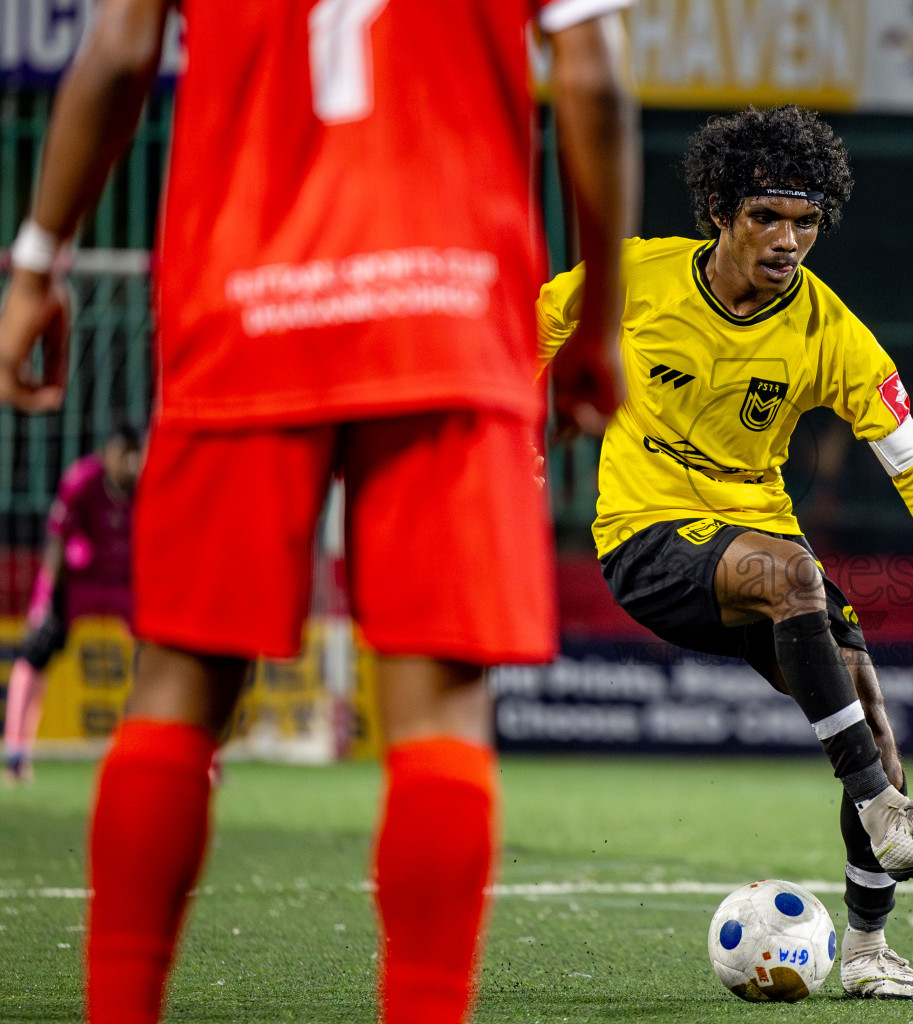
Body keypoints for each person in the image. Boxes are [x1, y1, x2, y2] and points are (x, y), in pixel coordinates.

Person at [0, 1, 636, 1022]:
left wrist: (38, 260)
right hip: (447, 307)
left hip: (244, 303)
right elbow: (595, 78)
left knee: (178, 687)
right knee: (438, 708)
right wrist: (597, 319)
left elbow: (118, 50)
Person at [537, 105, 913, 1001]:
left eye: (806, 221)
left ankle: (869, 949)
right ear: (719, 211)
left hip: (754, 538)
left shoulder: (831, 332)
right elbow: (529, 328)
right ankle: (884, 813)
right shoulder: (636, 276)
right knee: (793, 577)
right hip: (645, 536)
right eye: (766, 216)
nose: (788, 240)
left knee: (866, 705)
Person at [3, 424, 140, 785]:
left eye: (136, 455)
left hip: (125, 583)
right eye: (124, 454)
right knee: (35, 654)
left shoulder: (149, 485)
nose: (131, 463)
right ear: (108, 454)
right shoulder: (81, 480)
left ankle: (172, 754)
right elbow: (57, 541)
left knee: (165, 658)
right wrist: (47, 601)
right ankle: (16, 752)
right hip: (78, 582)